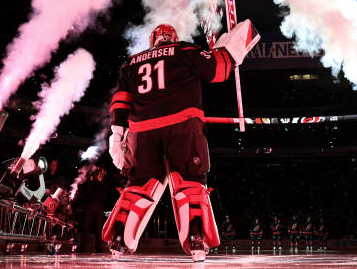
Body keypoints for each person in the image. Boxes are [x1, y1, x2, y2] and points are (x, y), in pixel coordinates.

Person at [101, 21, 259, 262]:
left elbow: (121, 101)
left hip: (142, 131)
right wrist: (233, 46)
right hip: (182, 125)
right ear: (172, 37)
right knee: (190, 183)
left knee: (139, 184)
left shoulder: (131, 62)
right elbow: (218, 70)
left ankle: (119, 240)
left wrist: (118, 133)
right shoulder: (184, 50)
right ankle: (196, 239)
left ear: (152, 40)